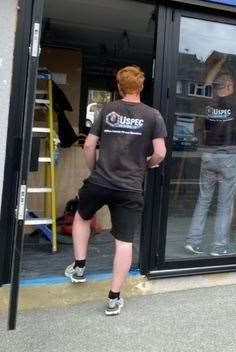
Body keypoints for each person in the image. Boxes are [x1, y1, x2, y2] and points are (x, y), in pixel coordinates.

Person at [64, 66, 167, 316]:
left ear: (119, 87)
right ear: (141, 87)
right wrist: (147, 165)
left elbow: (89, 146)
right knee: (124, 242)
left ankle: (79, 268)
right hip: (130, 187)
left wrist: (94, 169)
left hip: (100, 181)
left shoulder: (108, 110)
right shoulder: (153, 116)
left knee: (81, 217)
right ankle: (113, 298)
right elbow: (161, 153)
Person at [185, 54, 236, 256]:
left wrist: (220, 63)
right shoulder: (235, 101)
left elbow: (208, 81)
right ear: (231, 87)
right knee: (224, 204)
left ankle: (193, 242)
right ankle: (219, 246)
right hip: (228, 157)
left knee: (204, 200)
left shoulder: (210, 101)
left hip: (208, 155)